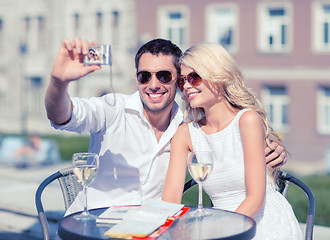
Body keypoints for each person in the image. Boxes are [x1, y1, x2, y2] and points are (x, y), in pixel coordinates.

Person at [45, 37, 287, 215]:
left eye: (164, 76)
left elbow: (230, 148)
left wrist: (273, 147)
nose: (153, 84)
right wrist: (59, 82)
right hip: (94, 224)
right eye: (144, 76)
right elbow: (61, 115)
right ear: (136, 78)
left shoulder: (185, 127)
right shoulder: (112, 108)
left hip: (150, 227)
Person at [161, 42, 303, 239]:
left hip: (263, 224)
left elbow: (255, 199)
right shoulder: (185, 133)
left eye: (194, 77)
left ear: (217, 77)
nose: (186, 86)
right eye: (182, 81)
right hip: (217, 225)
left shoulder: (247, 120)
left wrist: (221, 233)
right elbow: (170, 200)